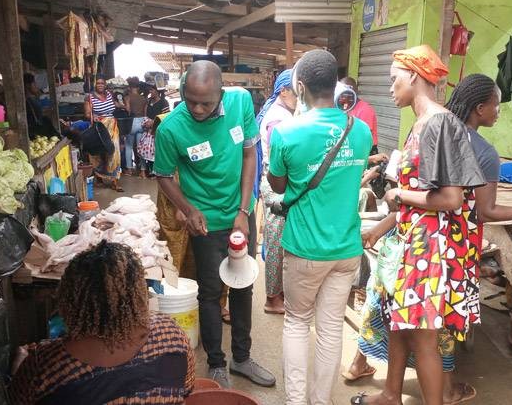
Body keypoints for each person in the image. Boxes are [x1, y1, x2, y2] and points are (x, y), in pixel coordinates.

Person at [345, 74, 512, 402]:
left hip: (414, 245)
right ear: (480, 108)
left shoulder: (430, 128)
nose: (499, 111)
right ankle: (434, 390)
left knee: (405, 324)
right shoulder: (478, 149)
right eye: (496, 105)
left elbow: (415, 198)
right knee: (431, 333)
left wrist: (386, 220)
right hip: (444, 251)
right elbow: (485, 211)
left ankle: (391, 390)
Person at [351, 45, 487, 405]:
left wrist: (400, 195)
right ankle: (391, 394)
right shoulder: (424, 123)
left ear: (413, 76)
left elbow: (450, 199)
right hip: (416, 242)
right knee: (401, 323)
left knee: (424, 338)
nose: (391, 86)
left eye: (394, 78)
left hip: (433, 248)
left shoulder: (438, 123)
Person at [153, 60, 275, 389]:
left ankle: (242, 358)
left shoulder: (240, 102)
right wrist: (187, 208)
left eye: (205, 102)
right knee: (209, 292)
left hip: (239, 216)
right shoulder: (170, 129)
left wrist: (244, 210)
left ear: (220, 93)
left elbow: (250, 155)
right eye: (190, 99)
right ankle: (216, 362)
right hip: (205, 223)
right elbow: (163, 176)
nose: (196, 108)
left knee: (243, 285)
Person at [267, 50, 373, 404]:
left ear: (299, 86)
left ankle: (297, 402)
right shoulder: (359, 130)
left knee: (297, 323)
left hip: (306, 247)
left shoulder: (286, 132)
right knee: (330, 330)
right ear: (336, 85)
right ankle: (321, 400)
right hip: (346, 249)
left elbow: (279, 187)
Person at [9, 241, 195, 404]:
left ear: (68, 301)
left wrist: (19, 365)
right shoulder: (171, 335)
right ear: (138, 296)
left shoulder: (44, 366)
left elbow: (17, 399)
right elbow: (186, 389)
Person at [256, 69, 296, 314]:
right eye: (296, 93)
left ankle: (278, 293)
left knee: (278, 241)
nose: (300, 98)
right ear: (283, 92)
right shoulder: (278, 119)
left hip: (275, 180)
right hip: (276, 183)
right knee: (275, 242)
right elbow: (279, 157)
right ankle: (272, 298)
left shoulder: (282, 113)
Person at [85, 75, 125, 191]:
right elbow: (88, 114)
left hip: (112, 127)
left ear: (105, 84)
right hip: (98, 128)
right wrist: (94, 117)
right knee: (97, 154)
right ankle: (99, 178)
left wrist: (124, 105)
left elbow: (115, 106)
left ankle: (114, 181)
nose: (100, 85)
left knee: (114, 152)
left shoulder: (109, 95)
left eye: (102, 83)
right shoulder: (89, 98)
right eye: (98, 83)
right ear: (95, 85)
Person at [342, 77, 380, 154]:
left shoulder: (365, 109)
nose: (344, 95)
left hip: (366, 150)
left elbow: (364, 137)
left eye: (348, 92)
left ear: (355, 92)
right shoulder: (344, 107)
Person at [122, 77, 148, 176]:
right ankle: (142, 171)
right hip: (142, 122)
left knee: (128, 146)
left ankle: (129, 169)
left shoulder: (127, 97)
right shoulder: (144, 98)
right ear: (138, 87)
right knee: (141, 147)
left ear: (129, 86)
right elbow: (145, 113)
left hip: (131, 122)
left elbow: (128, 110)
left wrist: (121, 105)